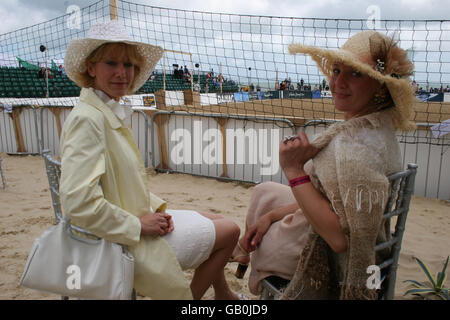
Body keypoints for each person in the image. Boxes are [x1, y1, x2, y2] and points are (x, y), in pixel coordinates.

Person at [60, 20, 242, 300]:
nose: (123, 73)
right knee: (230, 231)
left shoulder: (100, 110)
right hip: (119, 243)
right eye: (112, 63)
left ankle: (223, 292)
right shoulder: (89, 119)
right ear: (90, 67)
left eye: (130, 65)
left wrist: (154, 208)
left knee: (213, 218)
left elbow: (117, 182)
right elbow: (77, 202)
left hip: (121, 227)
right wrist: (139, 224)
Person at [230, 30, 416, 299]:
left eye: (355, 74)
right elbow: (336, 199)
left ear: (380, 86)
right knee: (264, 192)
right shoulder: (377, 127)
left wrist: (294, 171)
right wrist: (271, 216)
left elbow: (339, 240)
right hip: (348, 224)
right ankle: (243, 256)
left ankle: (252, 262)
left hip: (321, 249)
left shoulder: (353, 148)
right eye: (337, 70)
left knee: (265, 216)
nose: (338, 82)